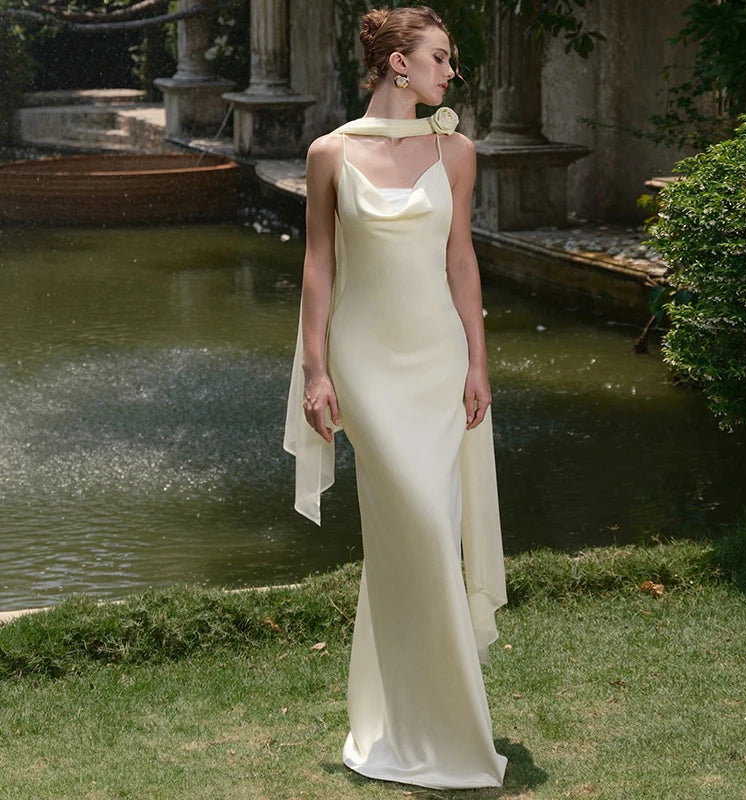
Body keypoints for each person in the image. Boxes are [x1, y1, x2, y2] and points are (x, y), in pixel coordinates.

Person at [284, 5, 507, 790]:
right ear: (398, 64)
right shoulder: (329, 154)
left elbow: (461, 262)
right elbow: (318, 266)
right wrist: (316, 371)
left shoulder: (456, 151)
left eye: (450, 61)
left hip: (438, 362)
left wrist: (478, 360)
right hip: (367, 367)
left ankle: (432, 724)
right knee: (409, 521)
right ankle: (428, 728)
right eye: (440, 58)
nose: (452, 73)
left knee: (426, 534)